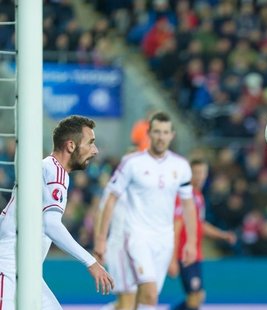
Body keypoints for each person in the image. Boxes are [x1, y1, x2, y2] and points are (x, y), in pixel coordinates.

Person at [0, 115, 113, 309]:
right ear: (71, 146)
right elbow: (50, 224)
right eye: (90, 143)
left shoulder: (46, 168)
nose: (95, 151)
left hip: (26, 273)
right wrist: (91, 262)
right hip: (9, 270)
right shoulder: (55, 171)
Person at [94, 112, 198, 310]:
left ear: (172, 135)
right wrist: (100, 239)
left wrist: (191, 242)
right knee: (146, 293)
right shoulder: (133, 163)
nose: (161, 136)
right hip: (136, 236)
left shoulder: (181, 166)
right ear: (149, 134)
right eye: (157, 132)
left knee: (146, 298)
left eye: (165, 132)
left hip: (164, 240)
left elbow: (188, 205)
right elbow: (109, 200)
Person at [168, 158, 236, 310]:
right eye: (196, 172)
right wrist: (172, 259)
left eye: (203, 173)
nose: (200, 176)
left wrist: (222, 235)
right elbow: (176, 226)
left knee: (198, 296)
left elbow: (201, 224)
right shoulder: (184, 196)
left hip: (195, 254)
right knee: (194, 297)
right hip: (184, 254)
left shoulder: (198, 196)